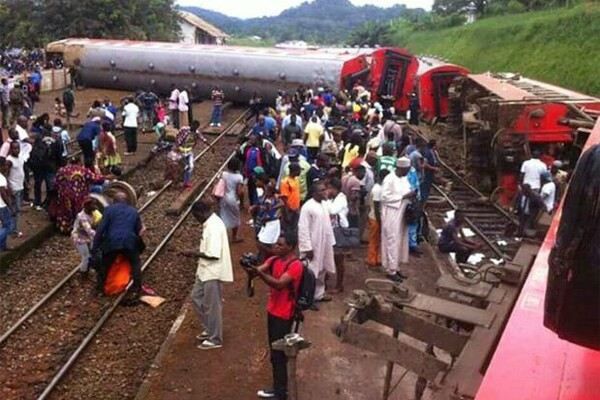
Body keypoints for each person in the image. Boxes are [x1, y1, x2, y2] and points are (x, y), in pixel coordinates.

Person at [243, 233, 304, 400]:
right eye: (276, 244)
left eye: (280, 244)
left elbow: (278, 284)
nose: (276, 246)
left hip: (285, 315)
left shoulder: (295, 266)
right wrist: (250, 269)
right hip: (273, 311)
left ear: (290, 247)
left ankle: (280, 392)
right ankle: (279, 388)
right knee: (274, 351)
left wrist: (258, 273)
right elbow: (257, 272)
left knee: (279, 354)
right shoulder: (274, 260)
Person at [182, 200, 233, 350]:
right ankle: (210, 328)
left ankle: (215, 338)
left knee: (212, 306)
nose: (196, 219)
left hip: (212, 271)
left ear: (201, 213)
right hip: (204, 270)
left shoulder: (213, 227)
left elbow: (214, 254)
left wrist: (193, 253)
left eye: (196, 216)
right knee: (196, 297)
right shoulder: (210, 224)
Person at [93, 191, 145, 299]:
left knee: (105, 265)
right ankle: (136, 289)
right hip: (129, 241)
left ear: (114, 201)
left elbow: (100, 229)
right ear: (127, 201)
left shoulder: (108, 210)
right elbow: (138, 230)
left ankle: (100, 290)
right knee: (135, 263)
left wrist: (95, 247)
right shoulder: (133, 211)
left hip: (112, 242)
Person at [298, 182, 335, 304]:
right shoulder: (307, 207)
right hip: (313, 245)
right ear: (314, 193)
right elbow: (303, 228)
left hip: (324, 243)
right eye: (322, 190)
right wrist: (307, 248)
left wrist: (330, 242)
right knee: (311, 272)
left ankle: (318, 295)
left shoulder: (324, 204)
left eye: (325, 189)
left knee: (322, 269)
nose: (325, 191)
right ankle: (308, 298)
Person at [380, 157, 415, 282]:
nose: (407, 172)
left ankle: (397, 266)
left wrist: (411, 195)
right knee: (392, 239)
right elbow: (384, 197)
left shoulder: (404, 178)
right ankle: (391, 270)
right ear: (400, 168)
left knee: (401, 239)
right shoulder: (389, 179)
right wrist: (404, 196)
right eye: (406, 170)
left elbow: (406, 190)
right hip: (391, 212)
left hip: (402, 211)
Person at [53, 157, 105, 234]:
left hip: (65, 195)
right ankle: (79, 228)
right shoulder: (83, 171)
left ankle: (65, 229)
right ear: (79, 162)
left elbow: (55, 183)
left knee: (66, 211)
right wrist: (105, 177)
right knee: (78, 211)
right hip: (79, 195)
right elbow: (96, 179)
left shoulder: (62, 170)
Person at [326, 178, 349, 294]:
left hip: (338, 232)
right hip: (331, 231)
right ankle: (325, 281)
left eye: (330, 188)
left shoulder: (341, 199)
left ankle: (339, 285)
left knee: (338, 259)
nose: (328, 190)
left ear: (335, 188)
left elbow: (332, 211)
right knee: (327, 256)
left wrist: (326, 198)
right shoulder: (333, 198)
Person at [176, 120, 210, 189]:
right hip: (181, 152)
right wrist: (177, 146)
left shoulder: (196, 133)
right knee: (184, 167)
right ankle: (180, 179)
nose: (194, 128)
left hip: (189, 151)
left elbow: (203, 139)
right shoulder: (184, 129)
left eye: (196, 127)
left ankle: (186, 182)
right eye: (193, 126)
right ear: (190, 125)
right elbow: (177, 136)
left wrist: (210, 146)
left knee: (190, 167)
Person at [366, 169, 389, 269]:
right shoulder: (378, 190)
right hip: (375, 218)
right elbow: (376, 207)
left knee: (377, 240)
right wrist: (380, 221)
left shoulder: (379, 188)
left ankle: (375, 259)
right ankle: (371, 260)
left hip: (376, 217)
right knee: (374, 240)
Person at [218, 158, 244, 243]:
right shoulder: (239, 177)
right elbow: (240, 192)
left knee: (223, 216)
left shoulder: (224, 174)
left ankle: (222, 238)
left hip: (223, 197)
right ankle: (234, 237)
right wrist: (241, 203)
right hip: (232, 198)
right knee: (235, 218)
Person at [71, 197, 98, 276]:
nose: (95, 206)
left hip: (86, 238)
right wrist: (99, 235)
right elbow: (89, 230)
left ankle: (87, 268)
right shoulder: (82, 217)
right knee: (86, 256)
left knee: (91, 254)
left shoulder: (92, 213)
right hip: (79, 239)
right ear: (87, 206)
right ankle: (83, 273)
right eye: (93, 205)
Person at [6, 141, 26, 237]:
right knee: (14, 210)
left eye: (18, 148)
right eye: (14, 148)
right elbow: (6, 176)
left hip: (20, 187)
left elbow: (21, 171)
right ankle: (13, 230)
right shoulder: (9, 161)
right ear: (11, 149)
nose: (17, 150)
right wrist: (10, 190)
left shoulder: (20, 157)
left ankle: (13, 228)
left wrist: (25, 183)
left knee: (17, 209)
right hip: (14, 189)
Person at [279, 162, 301, 230]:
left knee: (294, 227)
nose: (300, 172)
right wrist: (288, 211)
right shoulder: (285, 182)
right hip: (289, 210)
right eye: (299, 170)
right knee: (288, 227)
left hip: (296, 208)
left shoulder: (296, 180)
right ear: (294, 171)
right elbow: (284, 198)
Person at [0, 159, 16, 251]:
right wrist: (10, 206)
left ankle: (3, 246)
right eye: (5, 165)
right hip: (2, 206)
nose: (7, 167)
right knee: (8, 226)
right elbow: (2, 193)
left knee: (4, 225)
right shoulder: (1, 178)